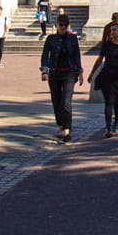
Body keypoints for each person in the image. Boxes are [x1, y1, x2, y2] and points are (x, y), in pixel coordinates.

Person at [40, 14, 84, 143]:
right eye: (61, 25)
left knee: (66, 101)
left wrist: (80, 71)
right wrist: (44, 70)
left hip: (69, 73)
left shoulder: (72, 38)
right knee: (56, 100)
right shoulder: (51, 39)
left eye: (65, 25)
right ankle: (60, 124)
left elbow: (77, 56)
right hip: (54, 73)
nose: (63, 27)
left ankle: (67, 129)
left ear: (68, 25)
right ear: (57, 25)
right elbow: (45, 56)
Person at [87, 22, 118, 138]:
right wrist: (92, 73)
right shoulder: (106, 45)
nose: (111, 33)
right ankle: (108, 127)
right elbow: (99, 59)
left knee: (117, 101)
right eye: (111, 30)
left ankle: (116, 122)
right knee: (109, 101)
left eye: (114, 30)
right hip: (107, 75)